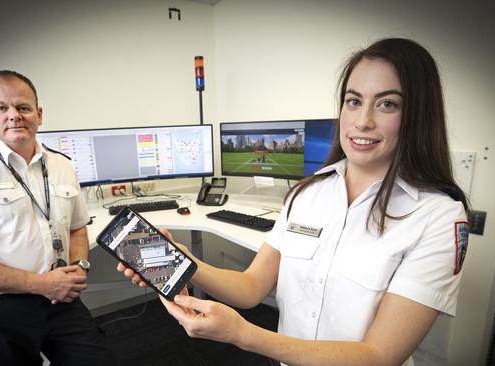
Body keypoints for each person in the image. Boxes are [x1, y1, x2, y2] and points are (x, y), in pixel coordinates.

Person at [119, 38, 470, 366]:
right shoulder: (308, 193)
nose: (363, 121)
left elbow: (378, 355)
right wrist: (184, 260)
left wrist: (243, 334)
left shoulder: (439, 217)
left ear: (418, 116)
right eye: (354, 101)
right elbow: (251, 287)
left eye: (387, 104)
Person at [0, 70, 113, 366]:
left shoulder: (61, 164)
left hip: (60, 298)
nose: (14, 116)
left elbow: (77, 229)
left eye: (23, 107)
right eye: (1, 108)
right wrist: (41, 284)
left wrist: (80, 266)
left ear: (39, 115)